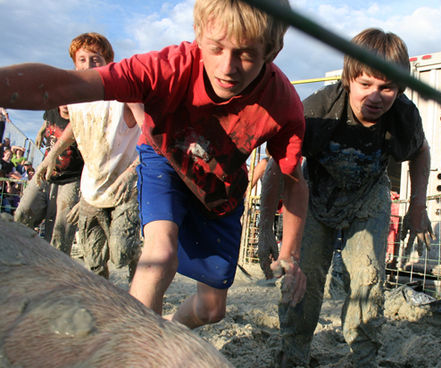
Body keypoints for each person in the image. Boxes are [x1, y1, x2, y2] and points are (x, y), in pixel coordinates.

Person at [0, 0, 308, 328]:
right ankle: (131, 355)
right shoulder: (167, 67)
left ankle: (163, 334)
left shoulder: (283, 104)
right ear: (199, 34)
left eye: (245, 54)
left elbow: (293, 181)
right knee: (160, 254)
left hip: (221, 188)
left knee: (211, 310)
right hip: (166, 161)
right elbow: (68, 84)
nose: (227, 67)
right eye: (217, 48)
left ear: (271, 52)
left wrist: (290, 253)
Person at [260, 28, 433, 368]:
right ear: (349, 78)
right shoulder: (319, 111)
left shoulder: (403, 116)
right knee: (303, 278)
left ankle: (364, 365)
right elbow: (278, 164)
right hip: (317, 198)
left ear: (400, 88)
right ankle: (293, 353)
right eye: (365, 83)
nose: (375, 96)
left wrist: (418, 206)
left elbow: (419, 152)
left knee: (367, 278)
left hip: (368, 196)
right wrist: (264, 229)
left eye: (386, 88)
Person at [34, 33, 142, 279]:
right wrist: (53, 154)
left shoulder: (124, 94)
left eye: (96, 59)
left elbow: (150, 135)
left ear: (108, 62)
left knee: (122, 251)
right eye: (82, 59)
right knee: (94, 260)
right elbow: (76, 126)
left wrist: (132, 172)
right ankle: (104, 303)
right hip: (92, 190)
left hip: (125, 187)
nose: (88, 65)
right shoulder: (75, 99)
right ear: (75, 64)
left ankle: (139, 270)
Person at [14, 105, 83, 255]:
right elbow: (47, 122)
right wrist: (39, 133)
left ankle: (55, 268)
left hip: (71, 179)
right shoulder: (52, 110)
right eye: (63, 101)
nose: (66, 106)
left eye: (71, 102)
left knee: (61, 232)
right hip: (45, 174)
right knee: (22, 214)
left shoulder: (82, 118)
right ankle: (17, 253)